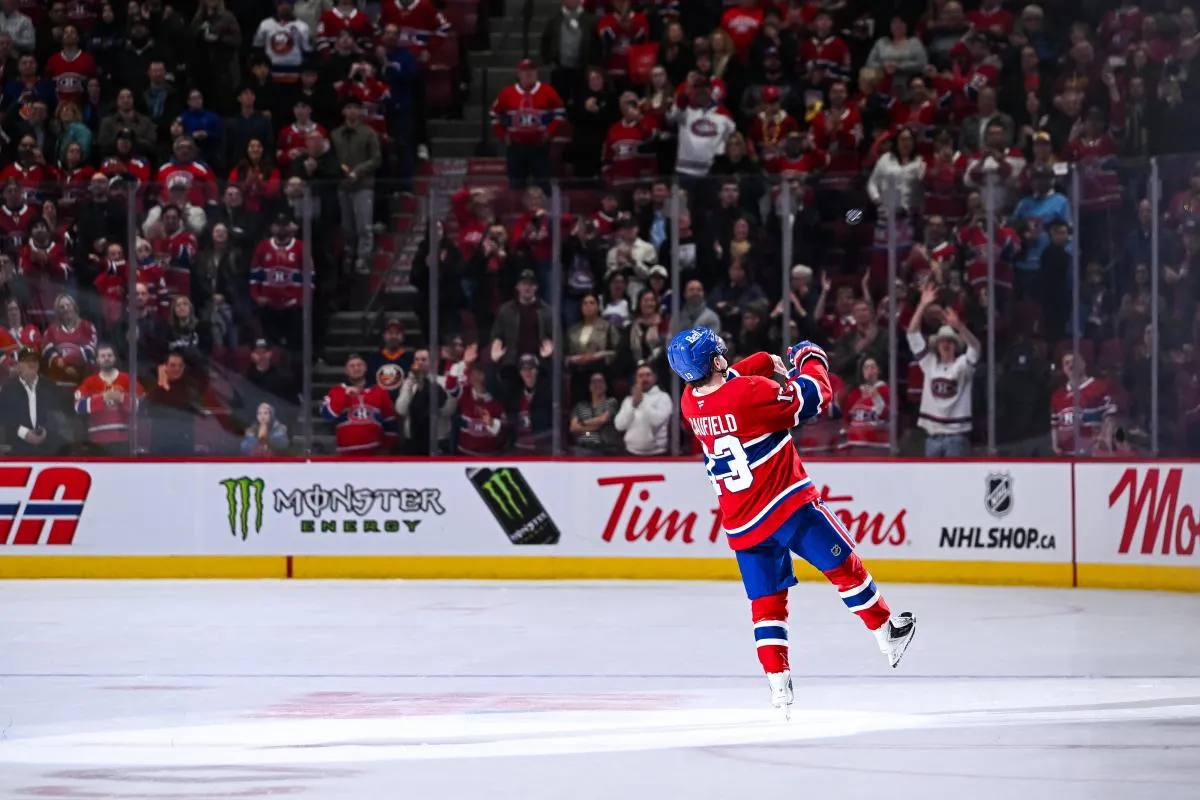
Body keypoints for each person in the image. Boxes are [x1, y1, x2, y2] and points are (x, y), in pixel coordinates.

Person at [667, 327, 916, 717]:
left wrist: (766, 361)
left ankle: (778, 689)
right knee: (844, 567)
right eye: (720, 353)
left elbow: (736, 379)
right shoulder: (750, 395)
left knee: (766, 605)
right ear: (715, 361)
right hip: (787, 506)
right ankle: (887, 633)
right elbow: (815, 397)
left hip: (742, 523)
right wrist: (810, 358)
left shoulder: (690, 402)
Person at [906, 284, 981, 457]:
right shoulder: (929, 363)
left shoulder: (963, 365)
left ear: (955, 345)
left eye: (950, 341)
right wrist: (922, 305)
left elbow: (976, 348)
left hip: (956, 437)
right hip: (931, 437)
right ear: (937, 345)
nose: (945, 344)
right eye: (942, 341)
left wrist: (959, 326)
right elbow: (912, 334)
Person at [321, 353, 397, 455]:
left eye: (359, 365)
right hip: (346, 454)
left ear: (365, 368)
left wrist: (386, 448)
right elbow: (327, 416)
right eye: (352, 366)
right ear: (346, 370)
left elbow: (390, 422)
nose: (356, 368)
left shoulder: (379, 391)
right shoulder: (336, 391)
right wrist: (345, 395)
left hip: (374, 453)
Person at [73, 342, 143, 454]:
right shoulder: (89, 382)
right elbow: (78, 407)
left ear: (115, 358)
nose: (106, 358)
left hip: (123, 440)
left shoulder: (128, 380)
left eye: (109, 355)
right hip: (97, 442)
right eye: (103, 356)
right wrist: (103, 398)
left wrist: (122, 398)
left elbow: (143, 406)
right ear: (97, 360)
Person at [0, 346, 65, 454]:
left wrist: (45, 432)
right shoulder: (8, 388)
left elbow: (57, 415)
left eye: (33, 362)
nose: (31, 366)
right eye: (26, 362)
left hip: (47, 448)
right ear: (18, 365)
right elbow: (5, 418)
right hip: (18, 449)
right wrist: (24, 433)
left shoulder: (49, 386)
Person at [613, 361, 671, 456]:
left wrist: (642, 403)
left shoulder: (663, 397)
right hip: (630, 453)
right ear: (636, 379)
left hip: (657, 454)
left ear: (654, 378)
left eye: (648, 375)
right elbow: (619, 426)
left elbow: (657, 422)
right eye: (641, 376)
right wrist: (632, 406)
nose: (644, 379)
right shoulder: (629, 400)